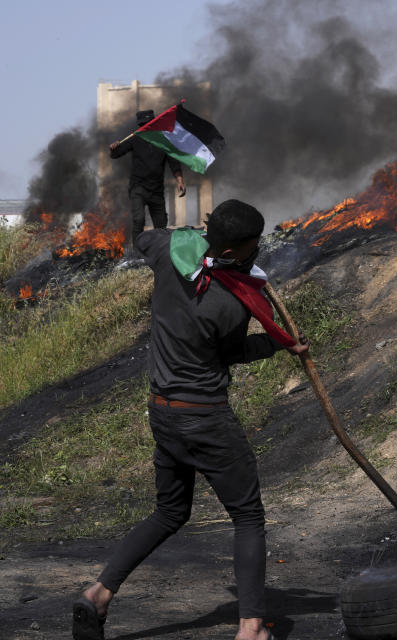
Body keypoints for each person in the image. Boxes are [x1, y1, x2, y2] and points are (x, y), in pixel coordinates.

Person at [72, 199, 307, 640]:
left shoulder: (167, 251)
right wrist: (281, 343)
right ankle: (252, 629)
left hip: (162, 412)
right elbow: (234, 354)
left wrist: (190, 234)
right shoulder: (230, 303)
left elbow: (145, 235)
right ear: (238, 251)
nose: (258, 249)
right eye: (255, 244)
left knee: (169, 511)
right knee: (247, 517)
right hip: (205, 417)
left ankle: (98, 594)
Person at [109, 109, 187, 241]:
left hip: (156, 191)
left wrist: (180, 180)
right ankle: (136, 254)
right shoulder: (135, 138)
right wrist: (114, 148)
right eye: (144, 125)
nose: (147, 127)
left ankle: (158, 252)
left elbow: (173, 162)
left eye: (150, 124)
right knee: (138, 220)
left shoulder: (163, 141)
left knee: (161, 225)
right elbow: (116, 154)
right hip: (138, 188)